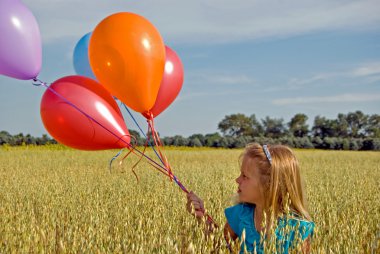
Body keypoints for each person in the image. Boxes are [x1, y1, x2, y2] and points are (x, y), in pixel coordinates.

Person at [186, 143, 315, 253]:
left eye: (245, 176)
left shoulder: (299, 228)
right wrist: (201, 217)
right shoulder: (241, 215)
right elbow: (220, 246)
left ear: (269, 186)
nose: (237, 180)